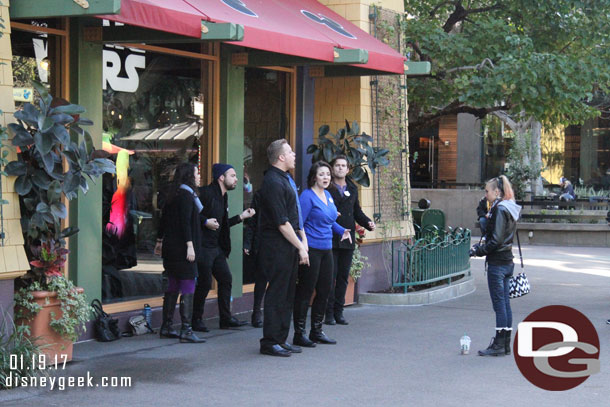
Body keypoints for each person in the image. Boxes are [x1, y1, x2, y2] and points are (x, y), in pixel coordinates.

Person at [258, 139, 309, 357]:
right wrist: (301, 247)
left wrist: (301, 242)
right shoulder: (272, 181)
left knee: (288, 293)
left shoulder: (284, 179)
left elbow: (293, 217)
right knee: (277, 293)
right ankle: (269, 341)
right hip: (276, 246)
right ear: (281, 157)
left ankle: (280, 338)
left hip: (287, 245)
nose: (294, 154)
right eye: (290, 152)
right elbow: (281, 222)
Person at [293, 161, 352, 347]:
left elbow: (329, 220)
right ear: (314, 177)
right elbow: (299, 222)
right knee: (306, 291)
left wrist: (342, 230)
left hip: (327, 248)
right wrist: (303, 247)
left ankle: (316, 331)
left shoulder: (327, 195)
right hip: (312, 249)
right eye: (321, 174)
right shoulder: (307, 196)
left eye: (328, 174)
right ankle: (299, 333)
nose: (326, 177)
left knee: (325, 289)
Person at [192, 163, 255, 331]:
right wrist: (205, 221)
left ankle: (225, 319)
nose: (236, 179)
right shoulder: (205, 193)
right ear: (221, 177)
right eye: (232, 176)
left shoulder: (223, 196)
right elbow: (190, 214)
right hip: (203, 247)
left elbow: (222, 224)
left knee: (226, 279)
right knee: (205, 284)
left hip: (216, 248)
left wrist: (241, 217)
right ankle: (195, 320)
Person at [470, 175, 521, 356]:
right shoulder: (509, 208)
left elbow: (496, 240)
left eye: (487, 191)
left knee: (499, 304)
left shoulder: (500, 210)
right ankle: (505, 343)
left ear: (497, 191)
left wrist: (478, 251)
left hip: (498, 263)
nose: (485, 195)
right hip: (507, 261)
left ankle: (500, 345)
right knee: (505, 304)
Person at [155, 163, 205, 343]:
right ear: (189, 176)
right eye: (197, 173)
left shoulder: (172, 194)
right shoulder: (186, 196)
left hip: (171, 247)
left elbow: (163, 220)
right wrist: (190, 245)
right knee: (188, 284)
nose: (199, 176)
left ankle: (167, 326)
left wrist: (159, 241)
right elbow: (185, 222)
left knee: (173, 285)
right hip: (183, 248)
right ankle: (186, 329)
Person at [324, 155, 375, 326]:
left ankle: (339, 312)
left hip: (347, 237)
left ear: (347, 169)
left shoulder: (352, 188)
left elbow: (357, 212)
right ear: (332, 168)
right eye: (337, 165)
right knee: (330, 276)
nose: (340, 168)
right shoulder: (326, 188)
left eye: (343, 165)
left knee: (343, 277)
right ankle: (328, 313)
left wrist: (367, 223)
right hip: (330, 237)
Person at [243, 189, 266, 328]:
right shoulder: (260, 194)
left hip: (282, 242)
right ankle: (256, 312)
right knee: (261, 278)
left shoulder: (289, 189)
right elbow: (252, 221)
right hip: (262, 241)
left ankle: (274, 312)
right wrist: (248, 242)